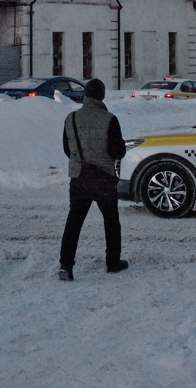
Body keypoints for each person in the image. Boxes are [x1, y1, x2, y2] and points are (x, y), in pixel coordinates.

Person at [59, 78, 128, 281]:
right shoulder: (110, 119)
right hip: (104, 178)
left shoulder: (71, 118)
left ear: (85, 95)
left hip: (79, 177)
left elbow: (67, 148)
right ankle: (113, 262)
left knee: (74, 221)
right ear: (102, 96)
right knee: (111, 221)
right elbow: (118, 151)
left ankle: (66, 265)